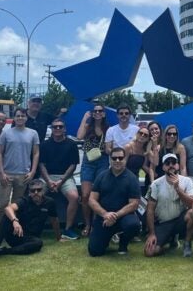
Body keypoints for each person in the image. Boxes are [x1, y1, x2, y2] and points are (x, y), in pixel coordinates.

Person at [0, 179, 60, 263]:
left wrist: (58, 237)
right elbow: (8, 208)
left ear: (43, 191)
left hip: (31, 238)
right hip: (16, 234)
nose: (36, 192)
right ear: (29, 192)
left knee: (38, 243)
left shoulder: (50, 202)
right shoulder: (24, 200)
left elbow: (54, 220)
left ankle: (4, 251)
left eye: (39, 190)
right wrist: (15, 221)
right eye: (33, 190)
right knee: (7, 217)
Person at [87, 147, 141, 256]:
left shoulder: (132, 178)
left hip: (123, 217)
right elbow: (91, 200)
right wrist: (105, 214)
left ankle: (123, 243)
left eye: (120, 158)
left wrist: (115, 216)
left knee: (134, 225)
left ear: (125, 159)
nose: (117, 161)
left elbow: (134, 204)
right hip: (104, 218)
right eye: (114, 158)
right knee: (94, 251)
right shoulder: (101, 176)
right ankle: (106, 238)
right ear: (110, 159)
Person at [0, 108, 40, 230]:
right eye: (18, 116)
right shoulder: (6, 133)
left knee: (16, 205)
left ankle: (11, 230)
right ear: (14, 118)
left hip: (23, 175)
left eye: (23, 116)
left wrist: (32, 172)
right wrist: (1, 172)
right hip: (6, 174)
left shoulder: (33, 133)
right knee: (2, 204)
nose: (20, 118)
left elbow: (36, 153)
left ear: (26, 118)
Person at [144, 153, 193, 257]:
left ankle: (187, 243)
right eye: (167, 163)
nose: (171, 165)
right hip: (163, 223)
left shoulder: (187, 181)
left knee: (192, 213)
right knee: (150, 252)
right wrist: (152, 233)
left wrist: (178, 189)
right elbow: (150, 210)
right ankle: (170, 240)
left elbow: (192, 204)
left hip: (180, 220)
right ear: (163, 167)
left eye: (174, 163)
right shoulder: (156, 184)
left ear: (177, 165)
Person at [39, 118, 80, 240]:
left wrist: (61, 181)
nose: (57, 129)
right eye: (55, 127)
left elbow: (73, 165)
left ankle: (67, 229)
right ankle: (32, 228)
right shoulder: (44, 145)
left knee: (74, 197)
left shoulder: (72, 144)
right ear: (51, 129)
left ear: (64, 129)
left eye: (60, 127)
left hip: (65, 177)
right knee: (35, 195)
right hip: (47, 176)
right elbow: (41, 165)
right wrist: (48, 181)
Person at [77, 103, 109, 236]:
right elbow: (79, 137)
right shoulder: (87, 126)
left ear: (104, 113)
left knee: (97, 195)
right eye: (95, 111)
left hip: (102, 161)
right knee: (85, 195)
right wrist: (85, 118)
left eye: (100, 111)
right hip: (88, 161)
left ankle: (96, 225)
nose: (97, 113)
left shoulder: (108, 128)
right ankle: (87, 224)